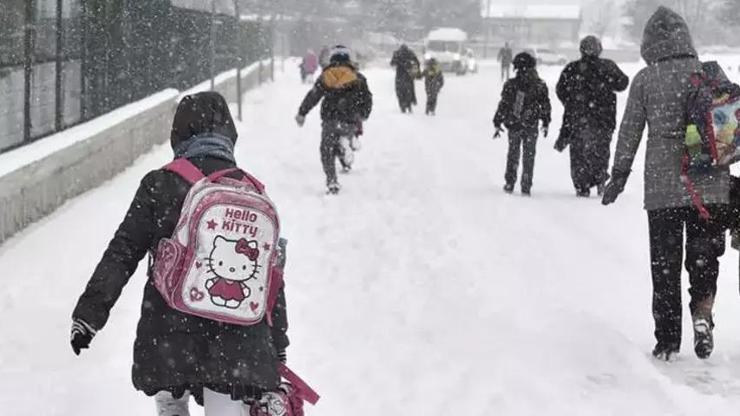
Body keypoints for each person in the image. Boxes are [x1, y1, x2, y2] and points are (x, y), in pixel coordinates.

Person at [70, 92, 290, 414]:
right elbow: (270, 280)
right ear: (229, 134)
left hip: (169, 334)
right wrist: (277, 346)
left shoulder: (160, 184)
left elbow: (123, 251)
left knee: (171, 403)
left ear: (179, 133)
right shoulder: (251, 192)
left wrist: (89, 314)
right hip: (237, 344)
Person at [602, 7, 731, 361]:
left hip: (663, 188)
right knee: (704, 259)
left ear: (649, 43)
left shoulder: (646, 79)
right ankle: (703, 315)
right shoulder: (708, 75)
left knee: (665, 265)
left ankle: (667, 340)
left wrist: (619, 175)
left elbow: (629, 131)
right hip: (711, 186)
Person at [555, 36, 629, 197]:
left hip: (578, 119)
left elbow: (560, 90)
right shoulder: (607, 66)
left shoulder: (572, 69)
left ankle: (582, 185)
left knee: (578, 153)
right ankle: (600, 178)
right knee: (601, 151)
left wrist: (571, 102)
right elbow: (623, 83)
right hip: (604, 119)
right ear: (599, 49)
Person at [295, 45, 373, 194]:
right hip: (350, 119)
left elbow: (313, 96)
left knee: (326, 150)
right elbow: (367, 99)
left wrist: (302, 113)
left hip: (330, 118)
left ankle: (332, 180)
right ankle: (348, 144)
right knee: (346, 136)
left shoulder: (326, 76)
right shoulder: (358, 78)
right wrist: (363, 114)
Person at [493, 52, 551, 196]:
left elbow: (504, 104)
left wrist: (498, 120)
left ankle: (510, 182)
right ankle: (526, 184)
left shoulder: (511, 84)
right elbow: (545, 105)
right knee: (529, 155)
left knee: (513, 153)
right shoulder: (540, 85)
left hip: (514, 124)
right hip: (531, 124)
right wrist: (545, 121)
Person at [391, 44, 420, 113]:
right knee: (409, 90)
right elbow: (417, 63)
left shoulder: (397, 53)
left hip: (400, 75)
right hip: (409, 75)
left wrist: (398, 63)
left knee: (400, 91)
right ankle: (409, 104)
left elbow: (392, 63)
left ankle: (402, 105)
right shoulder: (410, 53)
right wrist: (413, 68)